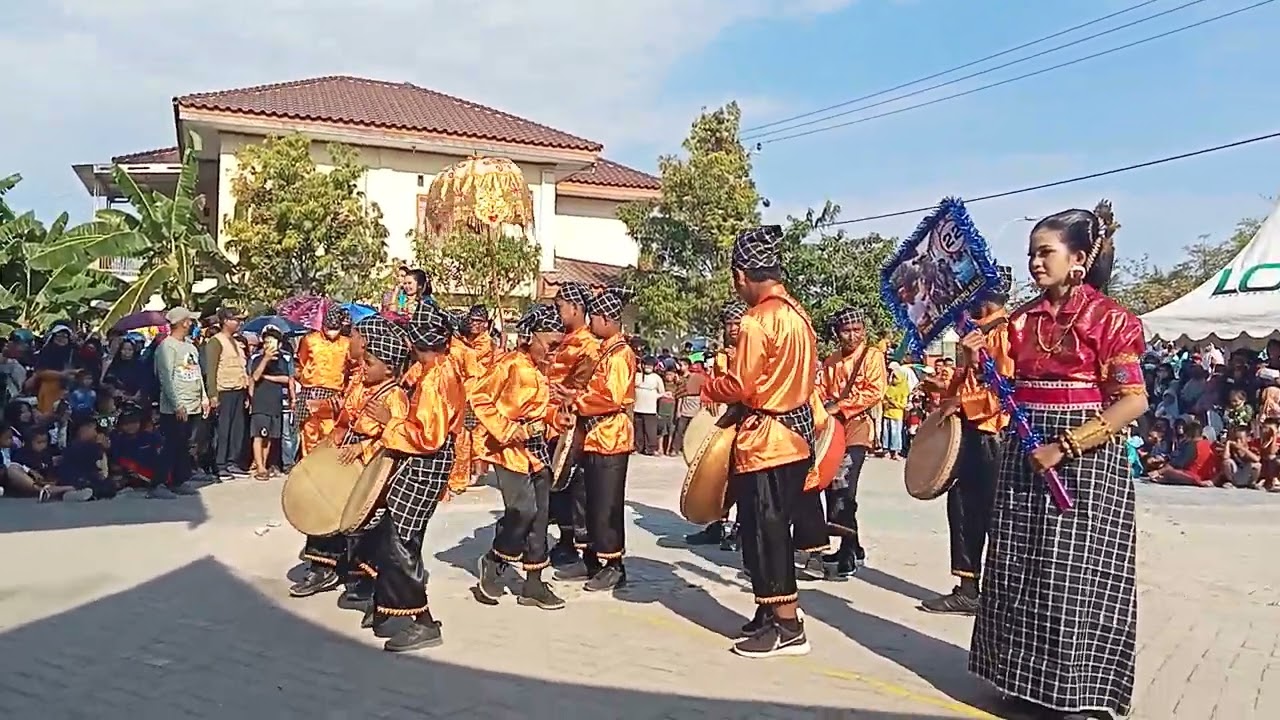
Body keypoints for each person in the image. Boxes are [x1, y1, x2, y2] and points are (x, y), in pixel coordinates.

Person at [970, 207, 1146, 720]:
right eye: (1031, 253)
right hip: (1025, 449)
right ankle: (1021, 681)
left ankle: (1081, 693)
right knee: (1018, 564)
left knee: (1075, 572)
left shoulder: (1111, 320)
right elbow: (997, 386)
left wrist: (1065, 446)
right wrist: (974, 357)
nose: (1035, 263)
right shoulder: (1019, 320)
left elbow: (1133, 400)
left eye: (1045, 252)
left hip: (1085, 459)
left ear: (1079, 258)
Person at [704, 225, 819, 659]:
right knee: (767, 528)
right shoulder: (799, 315)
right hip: (794, 436)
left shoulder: (757, 320)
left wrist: (705, 387)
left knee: (766, 532)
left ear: (741, 275)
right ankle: (770, 612)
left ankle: (787, 627)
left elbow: (741, 385)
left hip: (768, 441)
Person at [366, 308, 460, 651]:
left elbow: (428, 437)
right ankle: (386, 605)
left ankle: (423, 621)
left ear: (412, 340)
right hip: (430, 462)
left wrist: (389, 421)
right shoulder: (441, 368)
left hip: (425, 463)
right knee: (397, 535)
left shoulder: (434, 380)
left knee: (401, 539)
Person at [921, 266, 1013, 616]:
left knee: (992, 515)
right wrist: (947, 387)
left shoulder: (1006, 334)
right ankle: (968, 588)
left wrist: (962, 400)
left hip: (994, 435)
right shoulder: (975, 334)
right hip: (972, 433)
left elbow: (1006, 392)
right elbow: (963, 386)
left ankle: (997, 595)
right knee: (962, 508)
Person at [474, 304, 567, 610]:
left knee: (541, 517)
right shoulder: (510, 364)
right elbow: (479, 397)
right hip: (508, 450)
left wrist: (555, 417)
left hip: (536, 449)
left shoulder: (542, 369)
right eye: (550, 344)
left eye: (558, 345)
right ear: (531, 337)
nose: (554, 352)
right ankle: (495, 559)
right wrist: (507, 428)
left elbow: (542, 408)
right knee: (523, 510)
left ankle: (534, 584)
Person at [552, 286, 636, 593]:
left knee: (606, 504)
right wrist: (574, 394)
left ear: (606, 319)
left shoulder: (620, 355)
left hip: (611, 438)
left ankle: (614, 565)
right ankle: (589, 559)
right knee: (585, 500)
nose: (590, 324)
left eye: (594, 318)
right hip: (595, 436)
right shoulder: (604, 351)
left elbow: (610, 397)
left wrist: (576, 400)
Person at [817, 306, 886, 579]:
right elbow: (820, 390)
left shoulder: (872, 356)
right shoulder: (831, 361)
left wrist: (841, 406)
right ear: (837, 333)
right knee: (830, 488)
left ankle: (847, 550)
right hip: (833, 431)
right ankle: (852, 545)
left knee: (845, 488)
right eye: (846, 331)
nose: (852, 336)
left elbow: (875, 391)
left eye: (857, 330)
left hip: (858, 428)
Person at [545, 282, 601, 567]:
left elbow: (582, 387)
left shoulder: (588, 346)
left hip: (573, 423)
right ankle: (565, 540)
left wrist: (563, 396)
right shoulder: (561, 339)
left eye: (560, 307)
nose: (558, 313)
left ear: (576, 308)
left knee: (575, 487)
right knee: (558, 487)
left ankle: (581, 547)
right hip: (552, 421)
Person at [685, 299, 748, 550]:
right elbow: (715, 384)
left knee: (744, 475)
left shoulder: (751, 351)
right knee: (720, 473)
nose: (732, 328)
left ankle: (742, 528)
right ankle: (717, 524)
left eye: (737, 323)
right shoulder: (721, 356)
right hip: (726, 419)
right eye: (728, 323)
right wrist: (710, 395)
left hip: (748, 420)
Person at [152, 307, 209, 500]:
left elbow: (197, 372)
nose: (192, 323)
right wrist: (177, 404)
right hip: (175, 407)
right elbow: (165, 378)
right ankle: (158, 483)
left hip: (193, 404)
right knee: (171, 445)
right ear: (183, 322)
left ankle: (178, 480)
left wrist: (203, 397)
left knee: (184, 445)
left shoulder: (190, 346)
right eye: (189, 320)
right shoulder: (167, 347)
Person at [294, 306, 352, 458]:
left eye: (335, 329)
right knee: (309, 431)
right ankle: (307, 463)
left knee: (329, 432)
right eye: (329, 328)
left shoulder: (346, 343)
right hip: (311, 391)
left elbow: (350, 367)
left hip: (334, 393)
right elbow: (301, 362)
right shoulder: (309, 340)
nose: (332, 332)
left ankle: (324, 462)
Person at [204, 307, 249, 480]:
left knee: (237, 429)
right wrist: (212, 394)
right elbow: (212, 369)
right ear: (225, 321)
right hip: (224, 391)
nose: (238, 323)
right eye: (235, 320)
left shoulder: (236, 342)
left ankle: (233, 462)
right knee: (223, 430)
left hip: (238, 389)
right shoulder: (216, 342)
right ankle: (220, 464)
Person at [248, 326, 290, 480]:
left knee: (269, 437)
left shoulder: (282, 361)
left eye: (272, 342)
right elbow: (255, 376)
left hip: (275, 403)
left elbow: (287, 378)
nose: (268, 345)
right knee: (259, 435)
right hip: (260, 403)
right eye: (266, 342)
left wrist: (268, 377)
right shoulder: (257, 359)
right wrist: (265, 359)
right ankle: (259, 466)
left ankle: (263, 464)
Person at [633, 356, 664, 455]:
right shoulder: (637, 376)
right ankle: (638, 448)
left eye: (650, 366)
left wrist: (654, 397)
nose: (648, 367)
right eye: (646, 365)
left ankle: (650, 449)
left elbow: (662, 392)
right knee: (638, 430)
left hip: (650, 409)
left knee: (650, 430)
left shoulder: (656, 378)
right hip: (637, 407)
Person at [881, 363, 909, 460]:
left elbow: (903, 405)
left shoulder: (904, 389)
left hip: (897, 415)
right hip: (887, 413)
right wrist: (886, 403)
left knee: (895, 434)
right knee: (886, 433)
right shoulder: (889, 387)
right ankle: (886, 451)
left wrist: (893, 402)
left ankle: (896, 452)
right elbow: (884, 399)